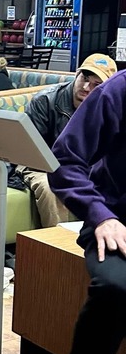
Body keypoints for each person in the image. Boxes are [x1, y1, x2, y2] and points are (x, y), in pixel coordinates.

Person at [27, 69, 126, 354]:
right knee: (114, 288)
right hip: (115, 222)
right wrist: (100, 213)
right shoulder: (117, 91)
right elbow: (65, 160)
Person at [15, 53, 116, 228]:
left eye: (96, 84)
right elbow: (32, 151)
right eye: (84, 77)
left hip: (85, 167)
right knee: (52, 188)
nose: (86, 86)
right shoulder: (46, 100)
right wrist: (69, 173)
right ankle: (58, 249)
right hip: (42, 165)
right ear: (76, 74)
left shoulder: (108, 107)